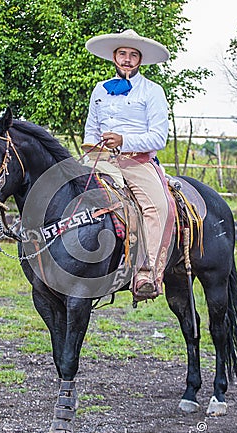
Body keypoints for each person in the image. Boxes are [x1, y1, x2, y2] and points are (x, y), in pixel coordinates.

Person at [83, 29, 176, 301]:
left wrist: (123, 140)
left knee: (159, 206)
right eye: (122, 54)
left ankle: (147, 272)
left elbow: (159, 136)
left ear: (140, 60)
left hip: (136, 161)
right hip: (100, 159)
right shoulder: (99, 89)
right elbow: (91, 127)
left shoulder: (153, 91)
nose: (126, 59)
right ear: (114, 56)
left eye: (132, 55)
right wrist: (92, 148)